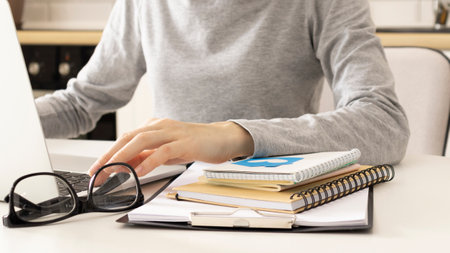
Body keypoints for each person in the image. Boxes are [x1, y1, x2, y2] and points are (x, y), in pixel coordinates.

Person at [35, 0, 410, 178]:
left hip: (275, 197)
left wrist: (234, 136)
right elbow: (81, 104)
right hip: (166, 198)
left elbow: (384, 121)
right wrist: (12, 119)